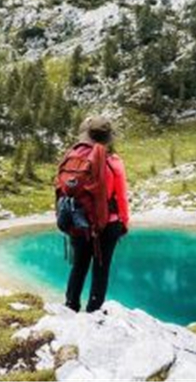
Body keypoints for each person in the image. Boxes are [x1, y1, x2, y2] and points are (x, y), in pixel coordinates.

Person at [61, 115, 130, 313]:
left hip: (79, 221)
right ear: (108, 137)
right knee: (101, 268)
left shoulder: (73, 157)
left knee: (79, 266)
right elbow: (121, 197)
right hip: (107, 223)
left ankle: (71, 306)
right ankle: (94, 311)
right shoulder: (113, 162)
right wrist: (124, 223)